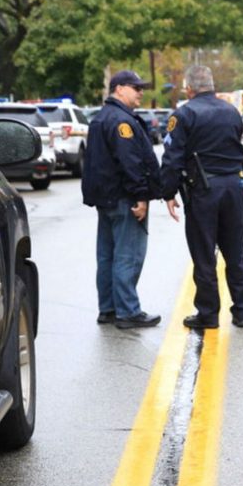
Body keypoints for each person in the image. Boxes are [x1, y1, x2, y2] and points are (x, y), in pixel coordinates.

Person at [160, 65, 243, 329]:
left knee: (204, 254)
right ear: (211, 85)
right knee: (235, 250)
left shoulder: (185, 114)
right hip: (234, 187)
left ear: (189, 88)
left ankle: (208, 313)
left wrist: (167, 192)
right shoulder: (232, 112)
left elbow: (172, 158)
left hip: (203, 190)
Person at [82, 70, 162, 329]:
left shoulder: (101, 118)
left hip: (105, 198)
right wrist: (140, 196)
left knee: (107, 256)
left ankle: (108, 308)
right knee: (129, 255)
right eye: (135, 87)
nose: (141, 92)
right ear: (118, 89)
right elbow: (130, 162)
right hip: (124, 198)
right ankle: (128, 311)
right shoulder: (121, 121)